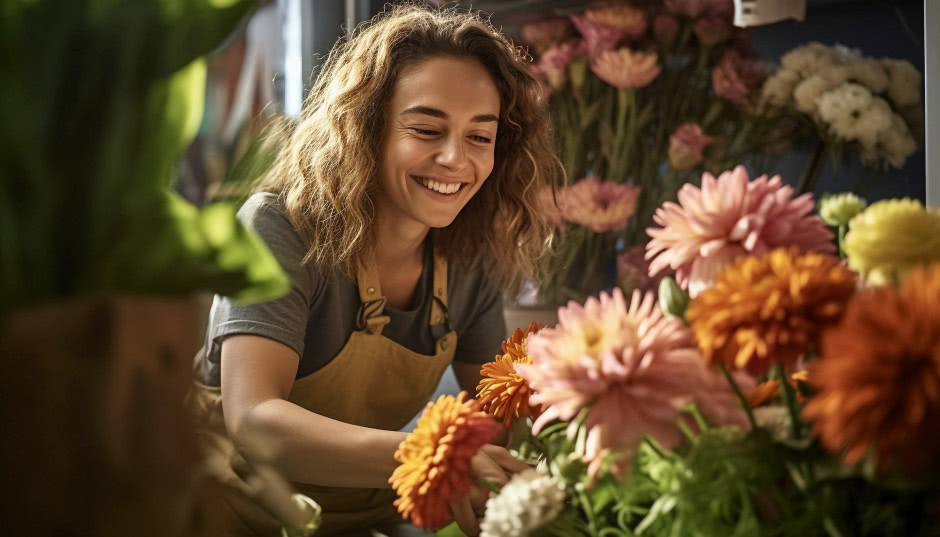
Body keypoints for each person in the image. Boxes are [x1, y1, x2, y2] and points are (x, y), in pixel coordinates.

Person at [192, 3, 560, 536]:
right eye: (427, 129)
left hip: (364, 521)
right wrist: (436, 455)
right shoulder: (278, 229)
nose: (457, 158)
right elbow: (254, 421)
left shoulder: (471, 258)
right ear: (366, 130)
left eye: (480, 136)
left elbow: (494, 412)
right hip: (223, 515)